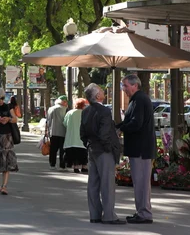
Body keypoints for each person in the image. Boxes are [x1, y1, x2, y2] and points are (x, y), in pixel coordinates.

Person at [80, 83, 126, 225]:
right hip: (103, 150)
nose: (103, 93)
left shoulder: (86, 111)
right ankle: (109, 215)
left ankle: (94, 214)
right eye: (101, 91)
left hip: (92, 148)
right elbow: (104, 133)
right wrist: (109, 148)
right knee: (107, 184)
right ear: (97, 96)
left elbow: (82, 133)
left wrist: (88, 144)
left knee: (93, 183)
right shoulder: (104, 111)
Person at [117, 74, 156, 224]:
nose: (124, 89)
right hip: (140, 148)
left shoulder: (139, 99)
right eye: (123, 86)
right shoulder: (138, 99)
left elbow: (136, 123)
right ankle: (141, 211)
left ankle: (144, 213)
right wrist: (120, 126)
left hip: (141, 149)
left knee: (141, 182)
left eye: (125, 86)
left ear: (135, 85)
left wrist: (121, 128)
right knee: (140, 182)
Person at [63, 98, 89, 173]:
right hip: (82, 137)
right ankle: (84, 166)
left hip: (72, 137)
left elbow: (65, 123)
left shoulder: (70, 113)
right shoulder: (85, 113)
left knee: (74, 153)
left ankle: (76, 166)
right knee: (83, 152)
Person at [47, 96, 68, 170]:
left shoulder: (50, 109)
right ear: (63, 102)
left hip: (53, 131)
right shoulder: (65, 109)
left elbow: (48, 121)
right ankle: (62, 165)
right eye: (66, 102)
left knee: (53, 149)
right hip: (63, 132)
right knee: (62, 150)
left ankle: (52, 164)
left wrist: (47, 130)